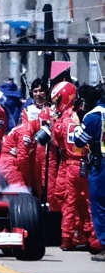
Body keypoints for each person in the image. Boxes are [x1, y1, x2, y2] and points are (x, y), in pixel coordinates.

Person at [51, 82, 94, 251]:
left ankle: (66, 238)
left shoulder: (62, 120)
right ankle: (94, 238)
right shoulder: (87, 116)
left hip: (70, 166)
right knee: (90, 203)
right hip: (87, 165)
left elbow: (57, 141)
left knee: (70, 203)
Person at [72, 83, 105, 261]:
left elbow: (79, 141)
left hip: (101, 165)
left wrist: (77, 124)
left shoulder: (93, 116)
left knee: (99, 207)